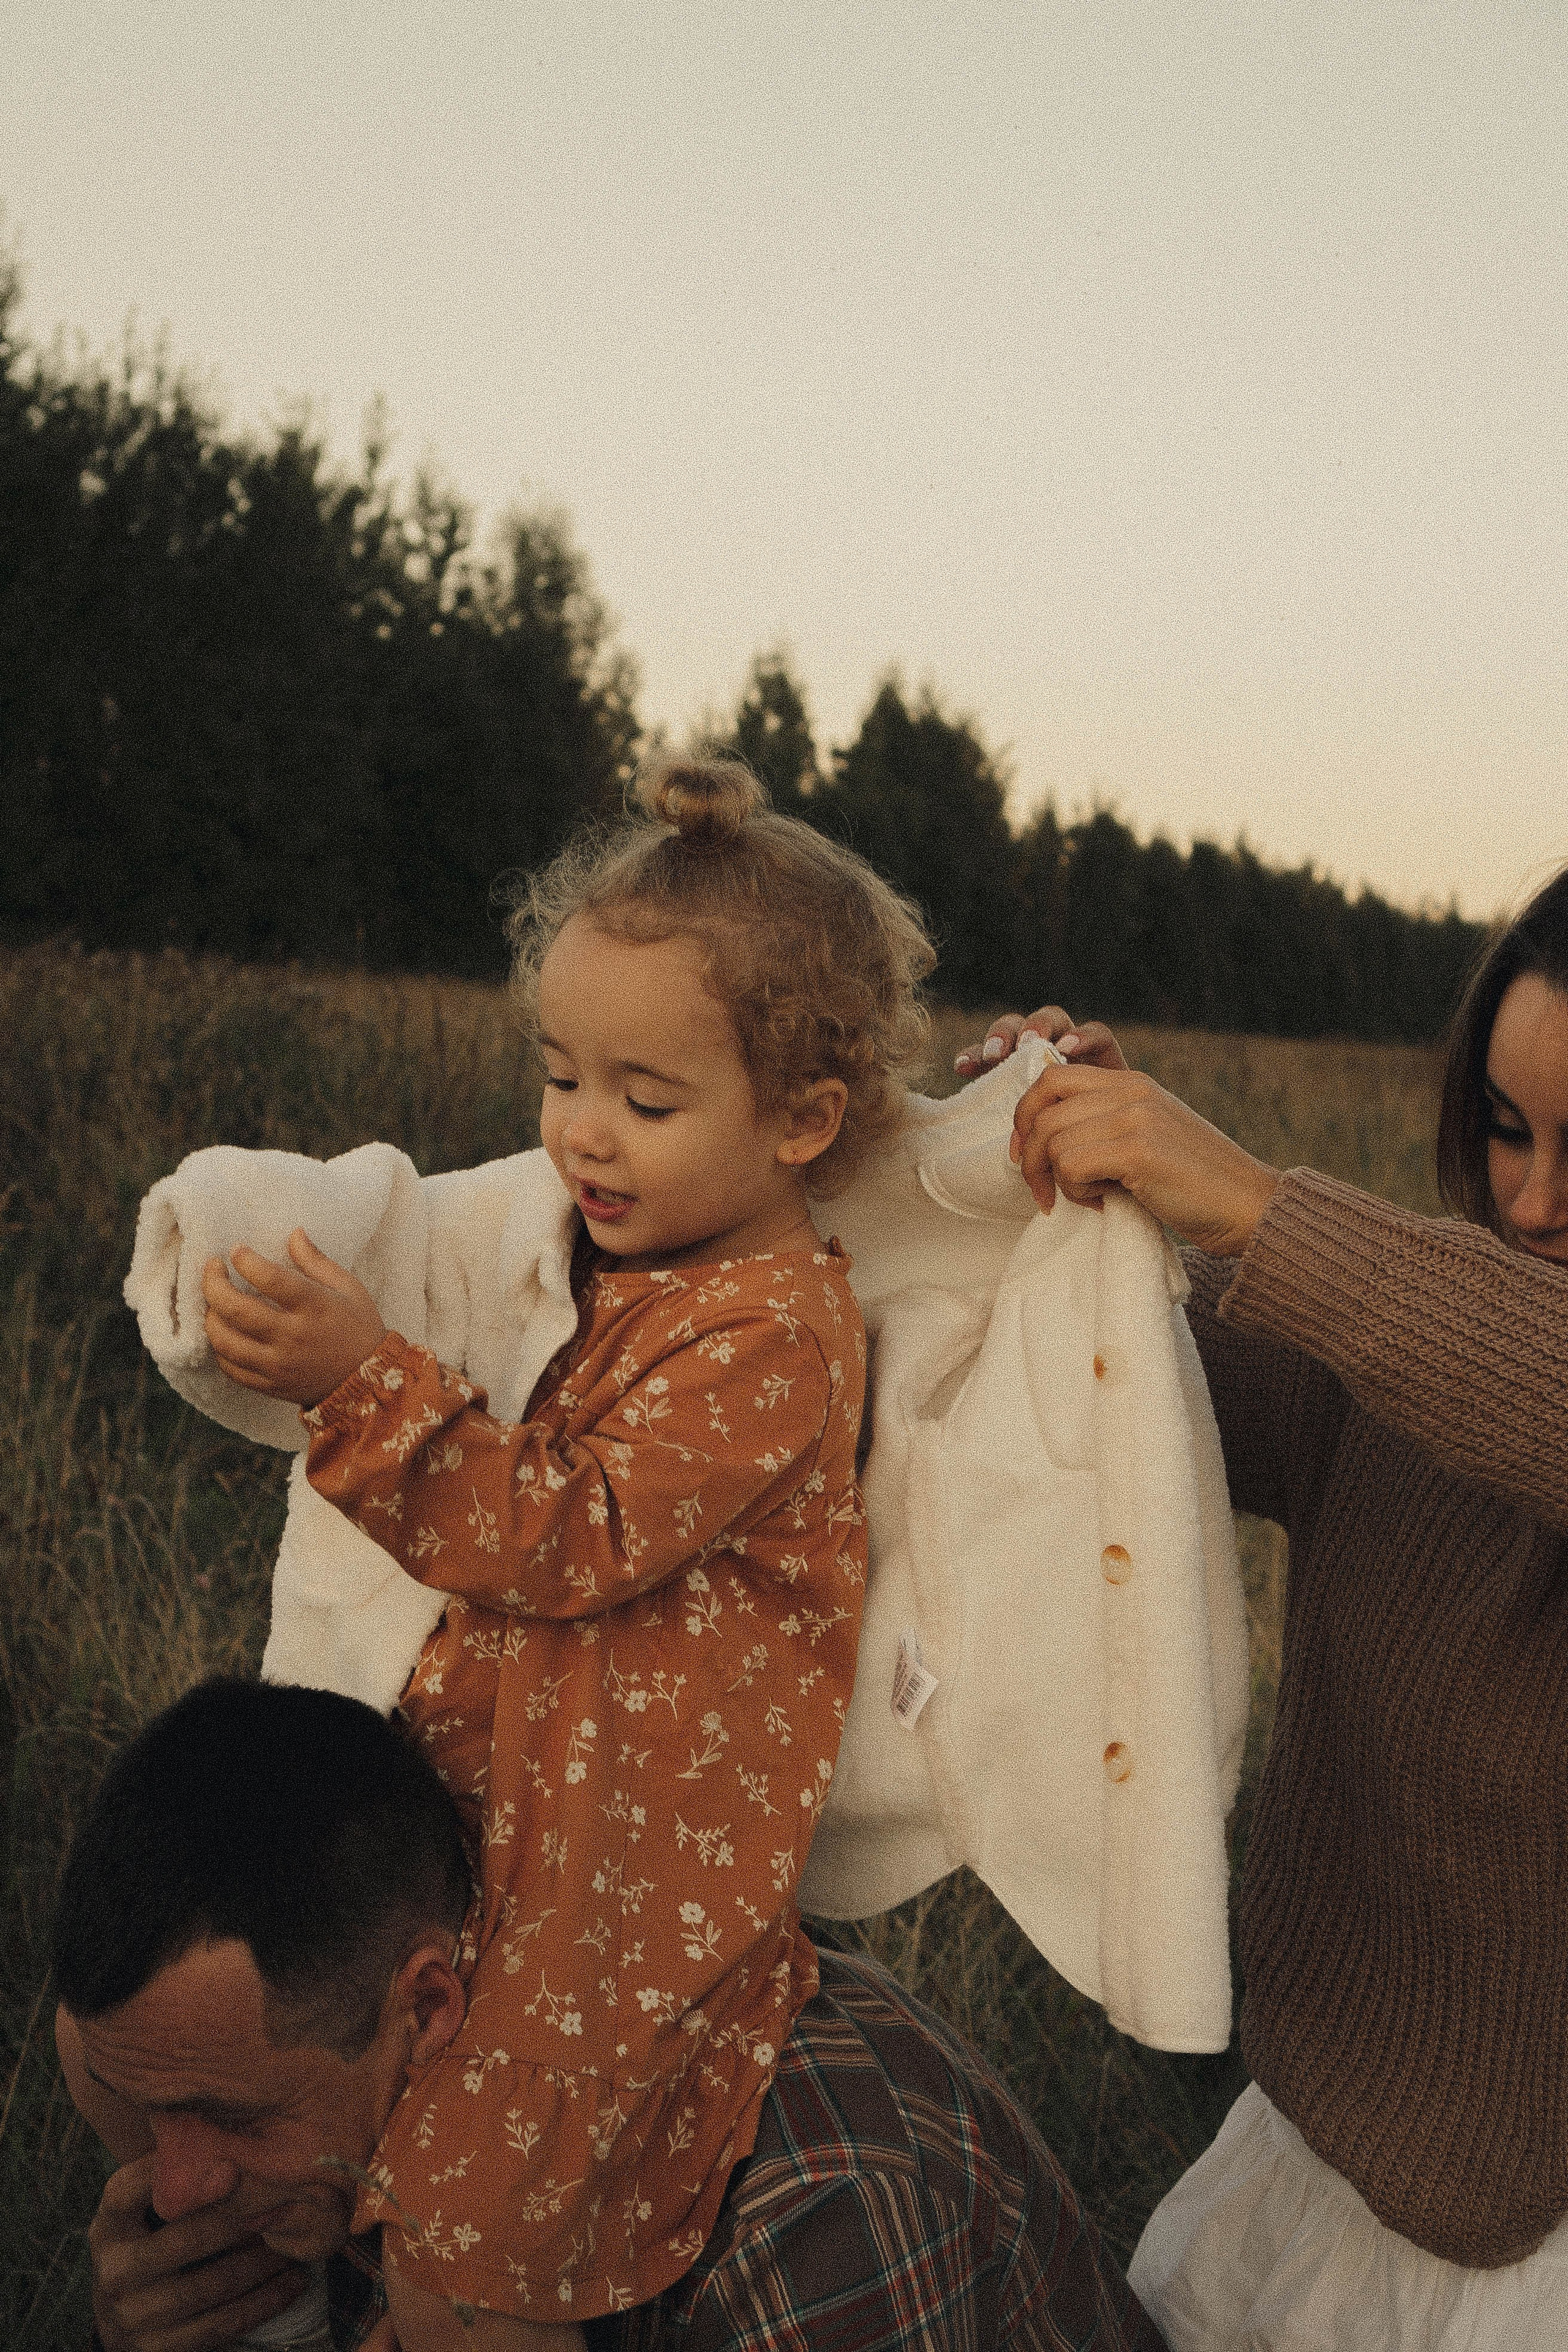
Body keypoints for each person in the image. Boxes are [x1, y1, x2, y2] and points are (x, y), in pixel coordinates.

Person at [183, 758, 933, 2347]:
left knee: (487, 2242)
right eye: (560, 1076)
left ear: (805, 1119)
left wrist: (358, 1380)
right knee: (405, 2166)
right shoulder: (642, 1262)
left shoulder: (770, 1335)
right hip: (524, 1847)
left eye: (646, 1102)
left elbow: (565, 1529)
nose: (581, 1139)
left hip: (615, 1912)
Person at [970, 859, 1568, 2349]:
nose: (1531, 1200)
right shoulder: (1409, 1340)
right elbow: (1129, 1382)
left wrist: (1246, 1198)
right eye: (1503, 1132)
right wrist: (1064, 1195)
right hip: (1307, 2158)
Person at [55, 1676, 1169, 2352]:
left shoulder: (811, 2219)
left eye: (234, 2119)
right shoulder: (354, 2079)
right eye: (149, 2111)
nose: (173, 2185)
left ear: (430, 2005)